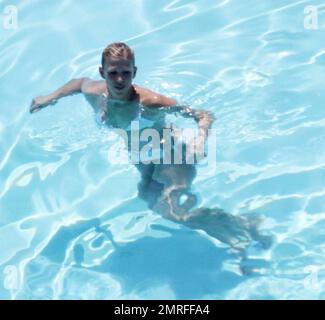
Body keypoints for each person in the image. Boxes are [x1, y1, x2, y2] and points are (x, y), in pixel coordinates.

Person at [30, 42, 272, 254]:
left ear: (134, 72)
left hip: (171, 153)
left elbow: (203, 115)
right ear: (102, 72)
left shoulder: (152, 102)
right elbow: (78, 82)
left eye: (126, 72)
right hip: (143, 156)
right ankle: (241, 225)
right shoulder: (94, 91)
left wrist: (200, 140)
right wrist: (48, 98)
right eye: (113, 73)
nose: (120, 80)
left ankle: (243, 228)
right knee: (148, 197)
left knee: (173, 211)